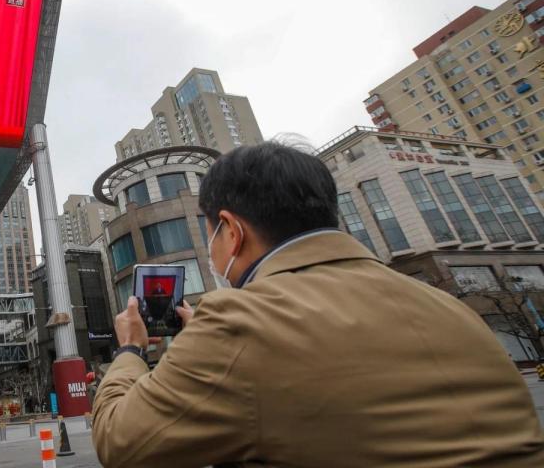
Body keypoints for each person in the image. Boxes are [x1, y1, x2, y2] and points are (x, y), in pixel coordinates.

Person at [92, 141, 544, 467]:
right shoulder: (448, 305)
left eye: (210, 233)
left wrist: (131, 349)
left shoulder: (240, 321)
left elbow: (121, 443)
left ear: (230, 231)